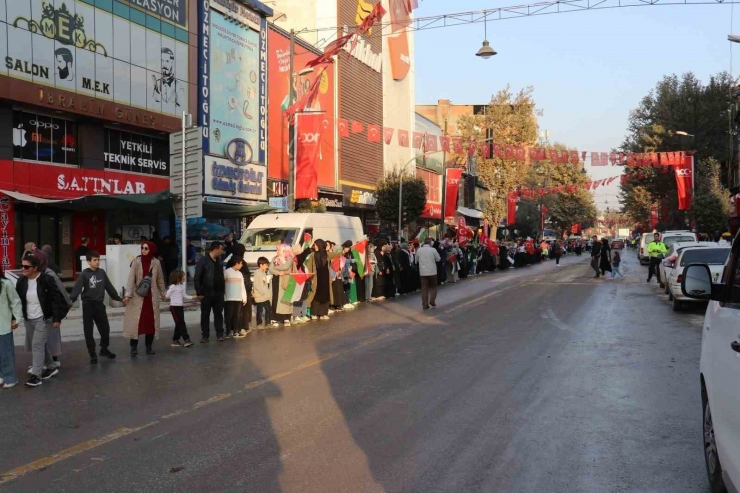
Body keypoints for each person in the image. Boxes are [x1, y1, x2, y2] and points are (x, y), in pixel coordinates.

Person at [16, 255, 68, 387]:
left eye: (26, 266)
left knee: (37, 345)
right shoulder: (21, 281)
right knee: (39, 345)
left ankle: (36, 376)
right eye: (21, 266)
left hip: (44, 318)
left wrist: (57, 318)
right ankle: (51, 366)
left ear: (35, 268)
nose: (23, 268)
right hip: (29, 319)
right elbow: (18, 301)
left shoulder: (46, 279)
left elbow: (56, 299)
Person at [70, 250, 123, 364]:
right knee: (88, 331)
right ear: (89, 261)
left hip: (99, 305)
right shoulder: (84, 274)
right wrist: (70, 302)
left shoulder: (102, 273)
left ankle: (104, 349)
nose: (97, 262)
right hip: (88, 305)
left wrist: (119, 299)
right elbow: (76, 290)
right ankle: (92, 353)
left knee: (105, 329)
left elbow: (109, 288)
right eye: (95, 260)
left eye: (98, 259)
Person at [122, 241, 166, 356]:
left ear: (151, 249)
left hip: (151, 298)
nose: (143, 250)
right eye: (142, 248)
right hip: (137, 297)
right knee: (136, 323)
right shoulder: (136, 262)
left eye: (146, 248)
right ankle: (133, 348)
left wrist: (163, 293)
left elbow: (160, 279)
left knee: (150, 324)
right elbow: (131, 279)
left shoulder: (156, 263)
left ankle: (148, 347)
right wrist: (127, 295)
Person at [194, 241, 225, 342]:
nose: (222, 251)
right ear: (215, 249)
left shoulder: (219, 261)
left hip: (218, 293)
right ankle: (205, 335)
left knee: (218, 314)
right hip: (206, 293)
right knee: (205, 315)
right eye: (221, 249)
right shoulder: (203, 261)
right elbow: (197, 277)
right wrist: (199, 292)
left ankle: (220, 334)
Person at [0, 270, 23, 389]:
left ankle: (11, 378)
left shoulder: (5, 284)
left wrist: (16, 319)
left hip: (3, 325)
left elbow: (15, 302)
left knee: (6, 353)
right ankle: (2, 376)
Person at [166, 270, 198, 347]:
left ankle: (175, 340)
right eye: (183, 276)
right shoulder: (172, 286)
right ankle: (186, 339)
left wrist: (195, 297)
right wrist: (163, 297)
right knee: (181, 324)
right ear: (177, 278)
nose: (184, 277)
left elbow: (185, 296)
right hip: (174, 307)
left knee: (179, 324)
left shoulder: (182, 286)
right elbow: (167, 296)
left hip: (180, 307)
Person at [305, 239, 336, 320]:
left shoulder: (327, 254)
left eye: (315, 245)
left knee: (325, 295)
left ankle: (323, 313)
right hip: (316, 278)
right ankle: (314, 313)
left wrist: (343, 251)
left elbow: (336, 255)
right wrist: (310, 277)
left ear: (319, 245)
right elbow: (309, 267)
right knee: (316, 296)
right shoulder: (313, 255)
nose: (314, 246)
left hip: (325, 278)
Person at [269, 244, 296, 327]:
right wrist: (277, 272)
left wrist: (276, 268)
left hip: (286, 281)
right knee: (275, 298)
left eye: (278, 250)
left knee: (285, 300)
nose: (276, 252)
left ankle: (286, 318)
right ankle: (274, 318)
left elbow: (285, 267)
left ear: (284, 251)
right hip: (276, 280)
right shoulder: (274, 258)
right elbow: (270, 269)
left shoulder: (290, 258)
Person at [224, 256, 248, 339]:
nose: (241, 265)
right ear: (236, 263)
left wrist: (244, 298)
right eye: (241, 263)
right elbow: (222, 285)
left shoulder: (239, 273)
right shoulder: (226, 272)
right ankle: (228, 332)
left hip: (238, 298)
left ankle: (236, 331)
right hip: (229, 298)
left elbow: (242, 286)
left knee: (237, 315)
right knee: (229, 315)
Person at [231, 243, 253, 332]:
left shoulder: (231, 261)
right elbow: (245, 277)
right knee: (243, 309)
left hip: (233, 290)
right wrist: (249, 288)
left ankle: (234, 327)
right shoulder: (240, 262)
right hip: (242, 289)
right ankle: (243, 326)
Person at [417, 238, 441, 310]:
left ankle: (425, 304)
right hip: (432, 272)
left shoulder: (419, 250)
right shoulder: (433, 250)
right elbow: (438, 259)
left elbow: (416, 259)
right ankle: (432, 301)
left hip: (423, 272)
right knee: (433, 287)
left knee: (424, 289)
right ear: (430, 243)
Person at [253, 257, 272, 328]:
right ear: (261, 265)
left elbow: (264, 283)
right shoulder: (257, 273)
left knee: (269, 309)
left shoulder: (263, 273)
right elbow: (256, 285)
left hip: (265, 296)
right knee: (260, 310)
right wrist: (262, 292)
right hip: (260, 296)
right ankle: (259, 324)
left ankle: (267, 322)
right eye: (265, 265)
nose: (266, 266)